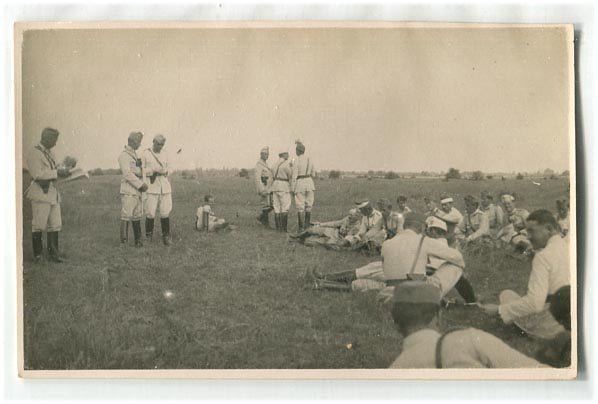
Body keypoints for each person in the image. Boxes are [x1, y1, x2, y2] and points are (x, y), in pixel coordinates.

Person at [388, 281, 546, 368]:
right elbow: (534, 371)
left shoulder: (396, 369)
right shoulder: (469, 339)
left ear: (396, 325)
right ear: (437, 316)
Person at [310, 213, 465, 299]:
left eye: (436, 230)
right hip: (412, 277)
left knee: (365, 278)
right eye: (431, 229)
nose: (432, 232)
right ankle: (323, 279)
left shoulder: (434, 242)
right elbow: (456, 259)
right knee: (368, 271)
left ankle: (323, 281)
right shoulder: (428, 241)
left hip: (402, 276)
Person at [481, 210, 570, 339]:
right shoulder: (568, 246)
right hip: (571, 318)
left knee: (506, 295)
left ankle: (527, 331)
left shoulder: (543, 257)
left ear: (549, 229)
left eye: (532, 231)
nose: (528, 236)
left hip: (552, 323)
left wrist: (498, 310)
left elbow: (535, 303)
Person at [25, 127, 73, 262]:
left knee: (55, 224)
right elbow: (37, 174)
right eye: (54, 140)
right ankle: (38, 256)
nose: (55, 143)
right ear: (45, 137)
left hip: (52, 193)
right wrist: (57, 173)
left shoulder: (50, 153)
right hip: (40, 193)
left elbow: (55, 168)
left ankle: (54, 254)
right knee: (39, 225)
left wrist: (66, 169)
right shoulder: (34, 153)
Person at [425, 216, 477, 304]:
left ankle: (470, 301)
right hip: (427, 286)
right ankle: (471, 301)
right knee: (456, 267)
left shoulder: (428, 242)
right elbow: (458, 259)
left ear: (433, 231)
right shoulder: (436, 243)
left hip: (414, 283)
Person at [141, 134, 172, 245]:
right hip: (151, 186)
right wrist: (153, 170)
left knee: (165, 211)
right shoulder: (145, 153)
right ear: (153, 141)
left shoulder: (166, 153)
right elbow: (141, 170)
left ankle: (166, 237)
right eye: (158, 144)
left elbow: (170, 168)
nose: (160, 146)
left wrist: (165, 171)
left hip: (164, 186)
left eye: (162, 144)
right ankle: (148, 237)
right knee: (150, 212)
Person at [118, 131, 148, 247]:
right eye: (138, 142)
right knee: (126, 215)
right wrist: (141, 185)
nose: (139, 145)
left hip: (137, 190)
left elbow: (139, 171)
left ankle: (138, 241)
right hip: (129, 190)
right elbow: (127, 174)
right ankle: (123, 242)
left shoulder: (135, 155)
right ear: (132, 141)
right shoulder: (124, 156)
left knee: (136, 215)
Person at [289, 208, 362, 249]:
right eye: (349, 214)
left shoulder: (357, 226)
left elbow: (348, 238)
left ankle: (298, 242)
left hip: (338, 239)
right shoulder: (347, 219)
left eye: (351, 215)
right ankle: (298, 236)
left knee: (315, 243)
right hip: (333, 232)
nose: (349, 216)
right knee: (313, 229)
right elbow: (334, 223)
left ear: (357, 216)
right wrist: (320, 224)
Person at [291, 140, 316, 232]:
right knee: (308, 205)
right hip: (310, 183)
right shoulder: (310, 159)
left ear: (298, 151)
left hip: (300, 183)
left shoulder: (296, 160)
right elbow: (313, 174)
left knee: (300, 206)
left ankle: (301, 228)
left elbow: (294, 176)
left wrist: (292, 188)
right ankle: (307, 227)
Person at [270, 149, 292, 232]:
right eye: (287, 154)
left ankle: (278, 228)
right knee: (285, 207)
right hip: (284, 186)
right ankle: (284, 228)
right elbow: (290, 175)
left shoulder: (274, 164)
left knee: (276, 207)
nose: (288, 155)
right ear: (284, 155)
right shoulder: (286, 164)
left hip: (275, 186)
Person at [255, 146, 273, 228]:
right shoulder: (259, 165)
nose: (267, 156)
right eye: (265, 154)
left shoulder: (266, 164)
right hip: (263, 185)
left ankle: (261, 217)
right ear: (261, 154)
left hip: (268, 187)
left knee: (271, 204)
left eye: (267, 154)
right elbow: (257, 178)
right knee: (265, 205)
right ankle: (266, 223)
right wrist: (261, 189)